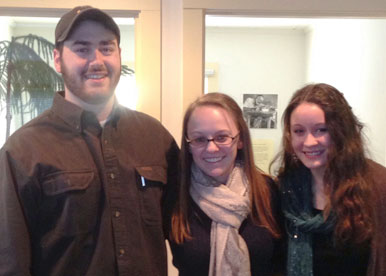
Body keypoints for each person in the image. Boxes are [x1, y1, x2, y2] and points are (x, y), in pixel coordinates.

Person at [0, 6, 179, 276]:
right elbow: (10, 261)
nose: (96, 61)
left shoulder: (156, 139)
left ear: (119, 55)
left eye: (106, 48)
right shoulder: (23, 150)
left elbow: (188, 235)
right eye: (82, 49)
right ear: (58, 60)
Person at [272, 83, 386, 276]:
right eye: (299, 131)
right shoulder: (284, 188)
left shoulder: (378, 186)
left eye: (321, 130)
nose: (309, 142)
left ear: (341, 131)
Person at [169, 92, 284, 276]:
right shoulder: (175, 195)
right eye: (199, 139)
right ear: (189, 145)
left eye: (222, 137)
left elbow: (282, 263)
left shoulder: (268, 191)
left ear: (240, 140)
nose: (211, 148)